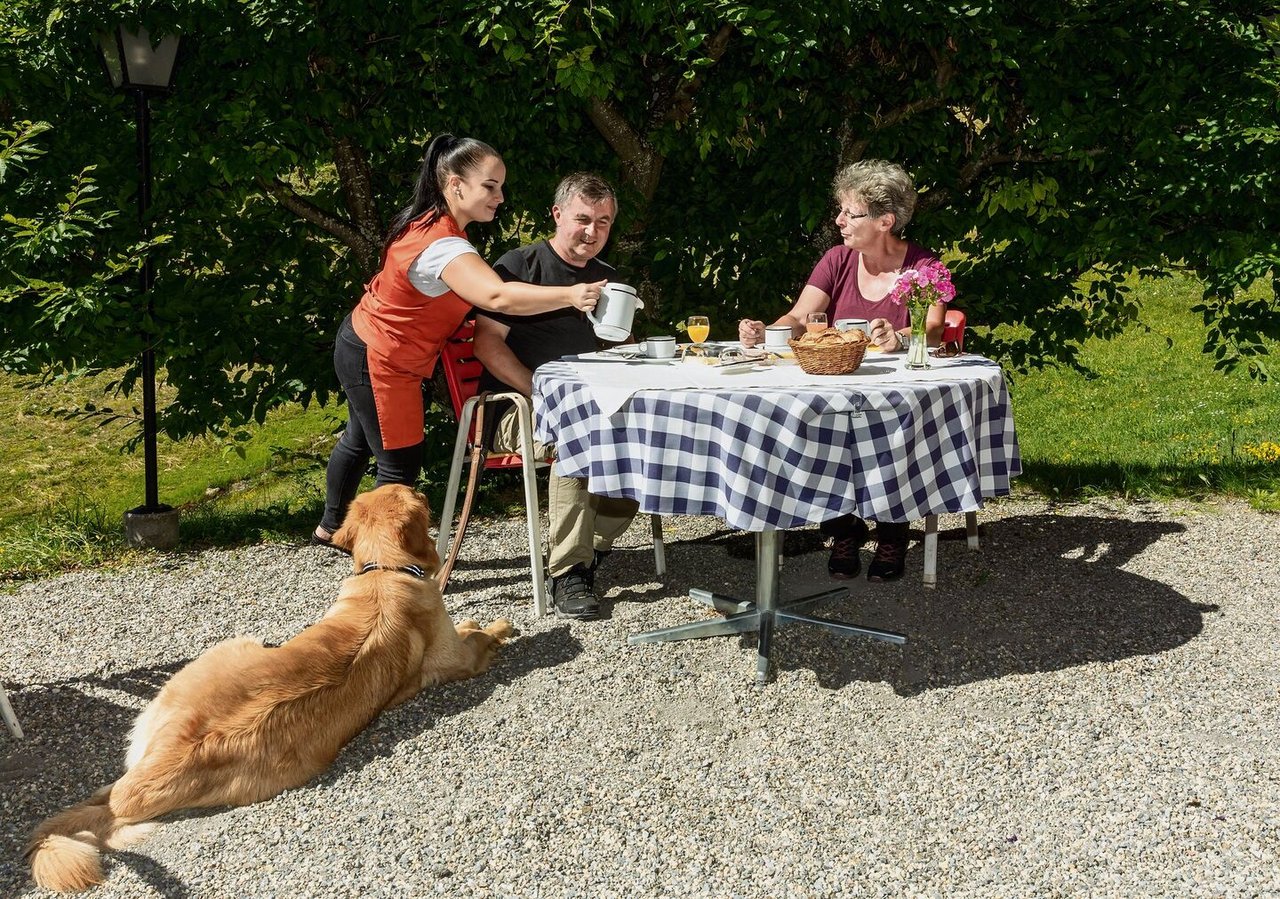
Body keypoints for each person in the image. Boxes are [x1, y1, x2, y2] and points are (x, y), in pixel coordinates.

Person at [312, 135, 604, 546]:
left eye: (501, 186)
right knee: (399, 466)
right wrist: (571, 295)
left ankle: (330, 531)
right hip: (380, 354)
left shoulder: (439, 228)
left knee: (359, 440)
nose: (500, 197)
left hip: (368, 341)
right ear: (455, 184)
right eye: (490, 186)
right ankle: (382, 562)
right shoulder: (442, 246)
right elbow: (496, 295)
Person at [738, 159, 946, 583]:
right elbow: (800, 317)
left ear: (885, 221)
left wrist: (901, 336)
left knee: (894, 437)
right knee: (816, 434)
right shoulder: (836, 259)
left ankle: (893, 532)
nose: (839, 220)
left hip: (895, 394)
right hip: (836, 388)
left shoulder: (923, 264)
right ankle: (843, 528)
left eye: (850, 213)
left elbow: (935, 325)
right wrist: (767, 332)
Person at [472, 173, 638, 620]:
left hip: (588, 408)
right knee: (577, 441)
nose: (592, 232)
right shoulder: (519, 266)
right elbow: (486, 344)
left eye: (603, 223)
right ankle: (567, 571)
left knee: (649, 438)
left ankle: (590, 548)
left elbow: (617, 348)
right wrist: (539, 392)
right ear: (558, 214)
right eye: (582, 219)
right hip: (514, 408)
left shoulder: (607, 279)